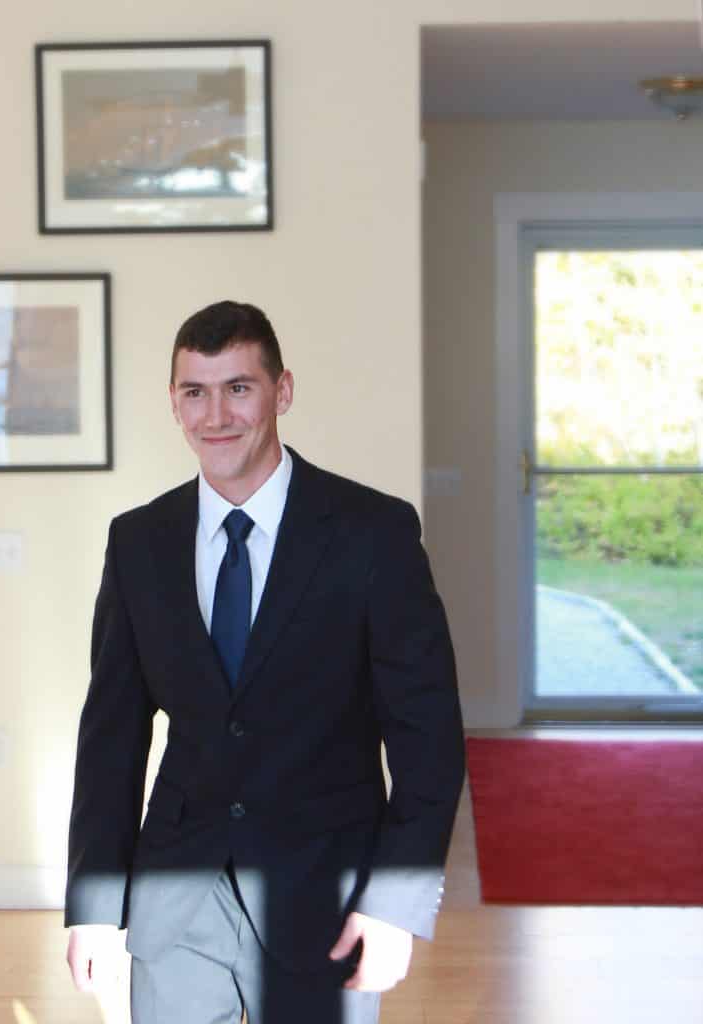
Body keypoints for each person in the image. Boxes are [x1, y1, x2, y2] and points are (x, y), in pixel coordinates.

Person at [64, 300, 465, 1024]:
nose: (215, 414)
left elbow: (427, 738)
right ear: (174, 403)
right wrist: (93, 906)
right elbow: (111, 738)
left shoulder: (374, 534)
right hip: (176, 900)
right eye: (195, 391)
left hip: (324, 897)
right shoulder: (138, 543)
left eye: (238, 388)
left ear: (281, 391)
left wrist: (396, 902)